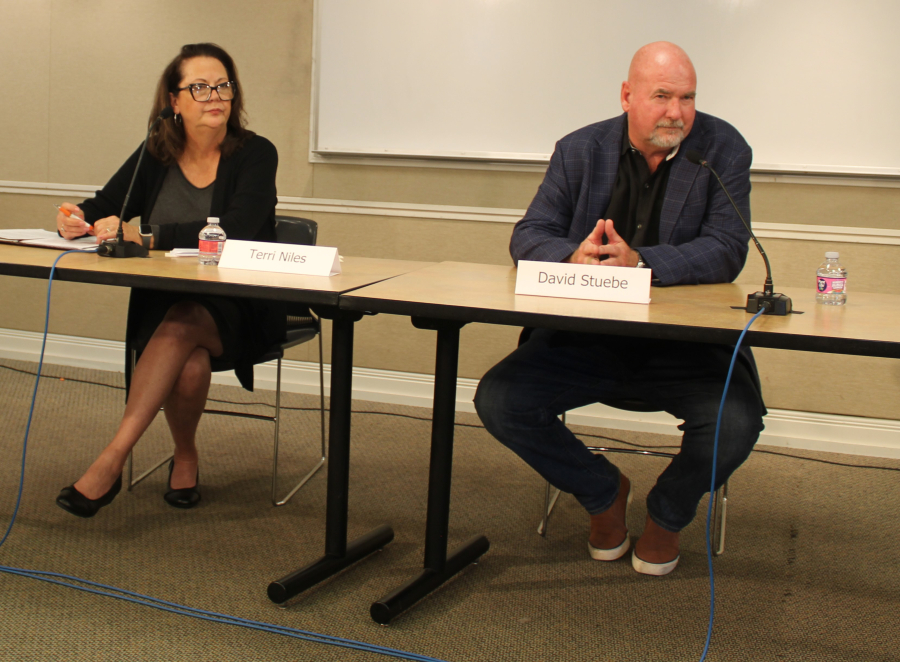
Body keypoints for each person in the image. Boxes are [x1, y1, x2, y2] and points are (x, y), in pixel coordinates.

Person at [474, 42, 766, 576]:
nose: (677, 112)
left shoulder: (721, 149)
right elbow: (529, 235)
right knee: (499, 400)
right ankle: (603, 492)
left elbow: (728, 248)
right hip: (584, 341)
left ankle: (667, 514)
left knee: (738, 421)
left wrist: (640, 263)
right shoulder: (580, 149)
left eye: (687, 97)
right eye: (661, 96)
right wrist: (573, 254)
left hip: (685, 347)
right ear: (628, 96)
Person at [55, 43, 286, 517]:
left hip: (241, 302)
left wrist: (147, 234)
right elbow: (103, 206)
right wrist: (75, 219)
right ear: (174, 102)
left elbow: (233, 231)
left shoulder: (256, 154)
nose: (214, 96)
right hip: (165, 302)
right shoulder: (156, 154)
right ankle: (185, 455)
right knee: (189, 360)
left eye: (223, 85)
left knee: (184, 324)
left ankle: (111, 459)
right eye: (199, 88)